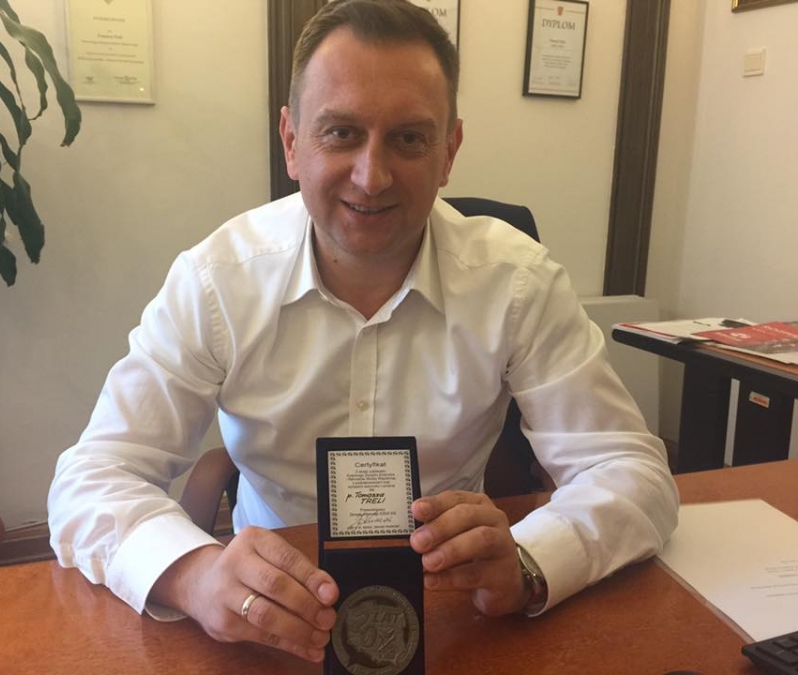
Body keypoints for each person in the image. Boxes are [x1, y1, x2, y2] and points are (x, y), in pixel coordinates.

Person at [48, 0, 679, 665]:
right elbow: (92, 476)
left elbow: (632, 470)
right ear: (292, 142)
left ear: (449, 151)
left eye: (408, 138)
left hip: (453, 612)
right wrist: (193, 573)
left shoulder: (518, 283)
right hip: (268, 614)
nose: (371, 177)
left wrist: (528, 560)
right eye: (341, 132)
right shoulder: (216, 283)